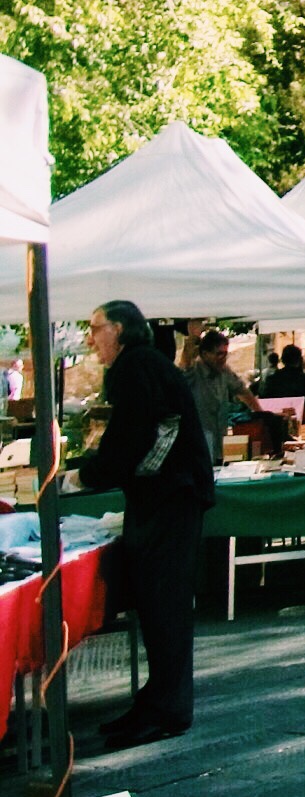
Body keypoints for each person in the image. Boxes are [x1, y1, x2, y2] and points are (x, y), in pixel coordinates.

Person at [67, 300, 215, 748]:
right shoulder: (143, 365)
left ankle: (168, 708)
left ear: (120, 329)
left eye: (96, 329)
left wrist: (85, 475)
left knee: (163, 604)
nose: (91, 339)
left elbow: (132, 436)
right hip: (169, 497)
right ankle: (157, 701)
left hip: (170, 500)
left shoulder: (135, 367)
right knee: (156, 604)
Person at [182, 327, 262, 462]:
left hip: (219, 443)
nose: (223, 358)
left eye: (225, 354)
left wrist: (260, 413)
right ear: (205, 354)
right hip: (197, 445)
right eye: (219, 354)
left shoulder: (225, 372)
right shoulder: (193, 372)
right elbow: (185, 361)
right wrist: (193, 335)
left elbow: (242, 391)